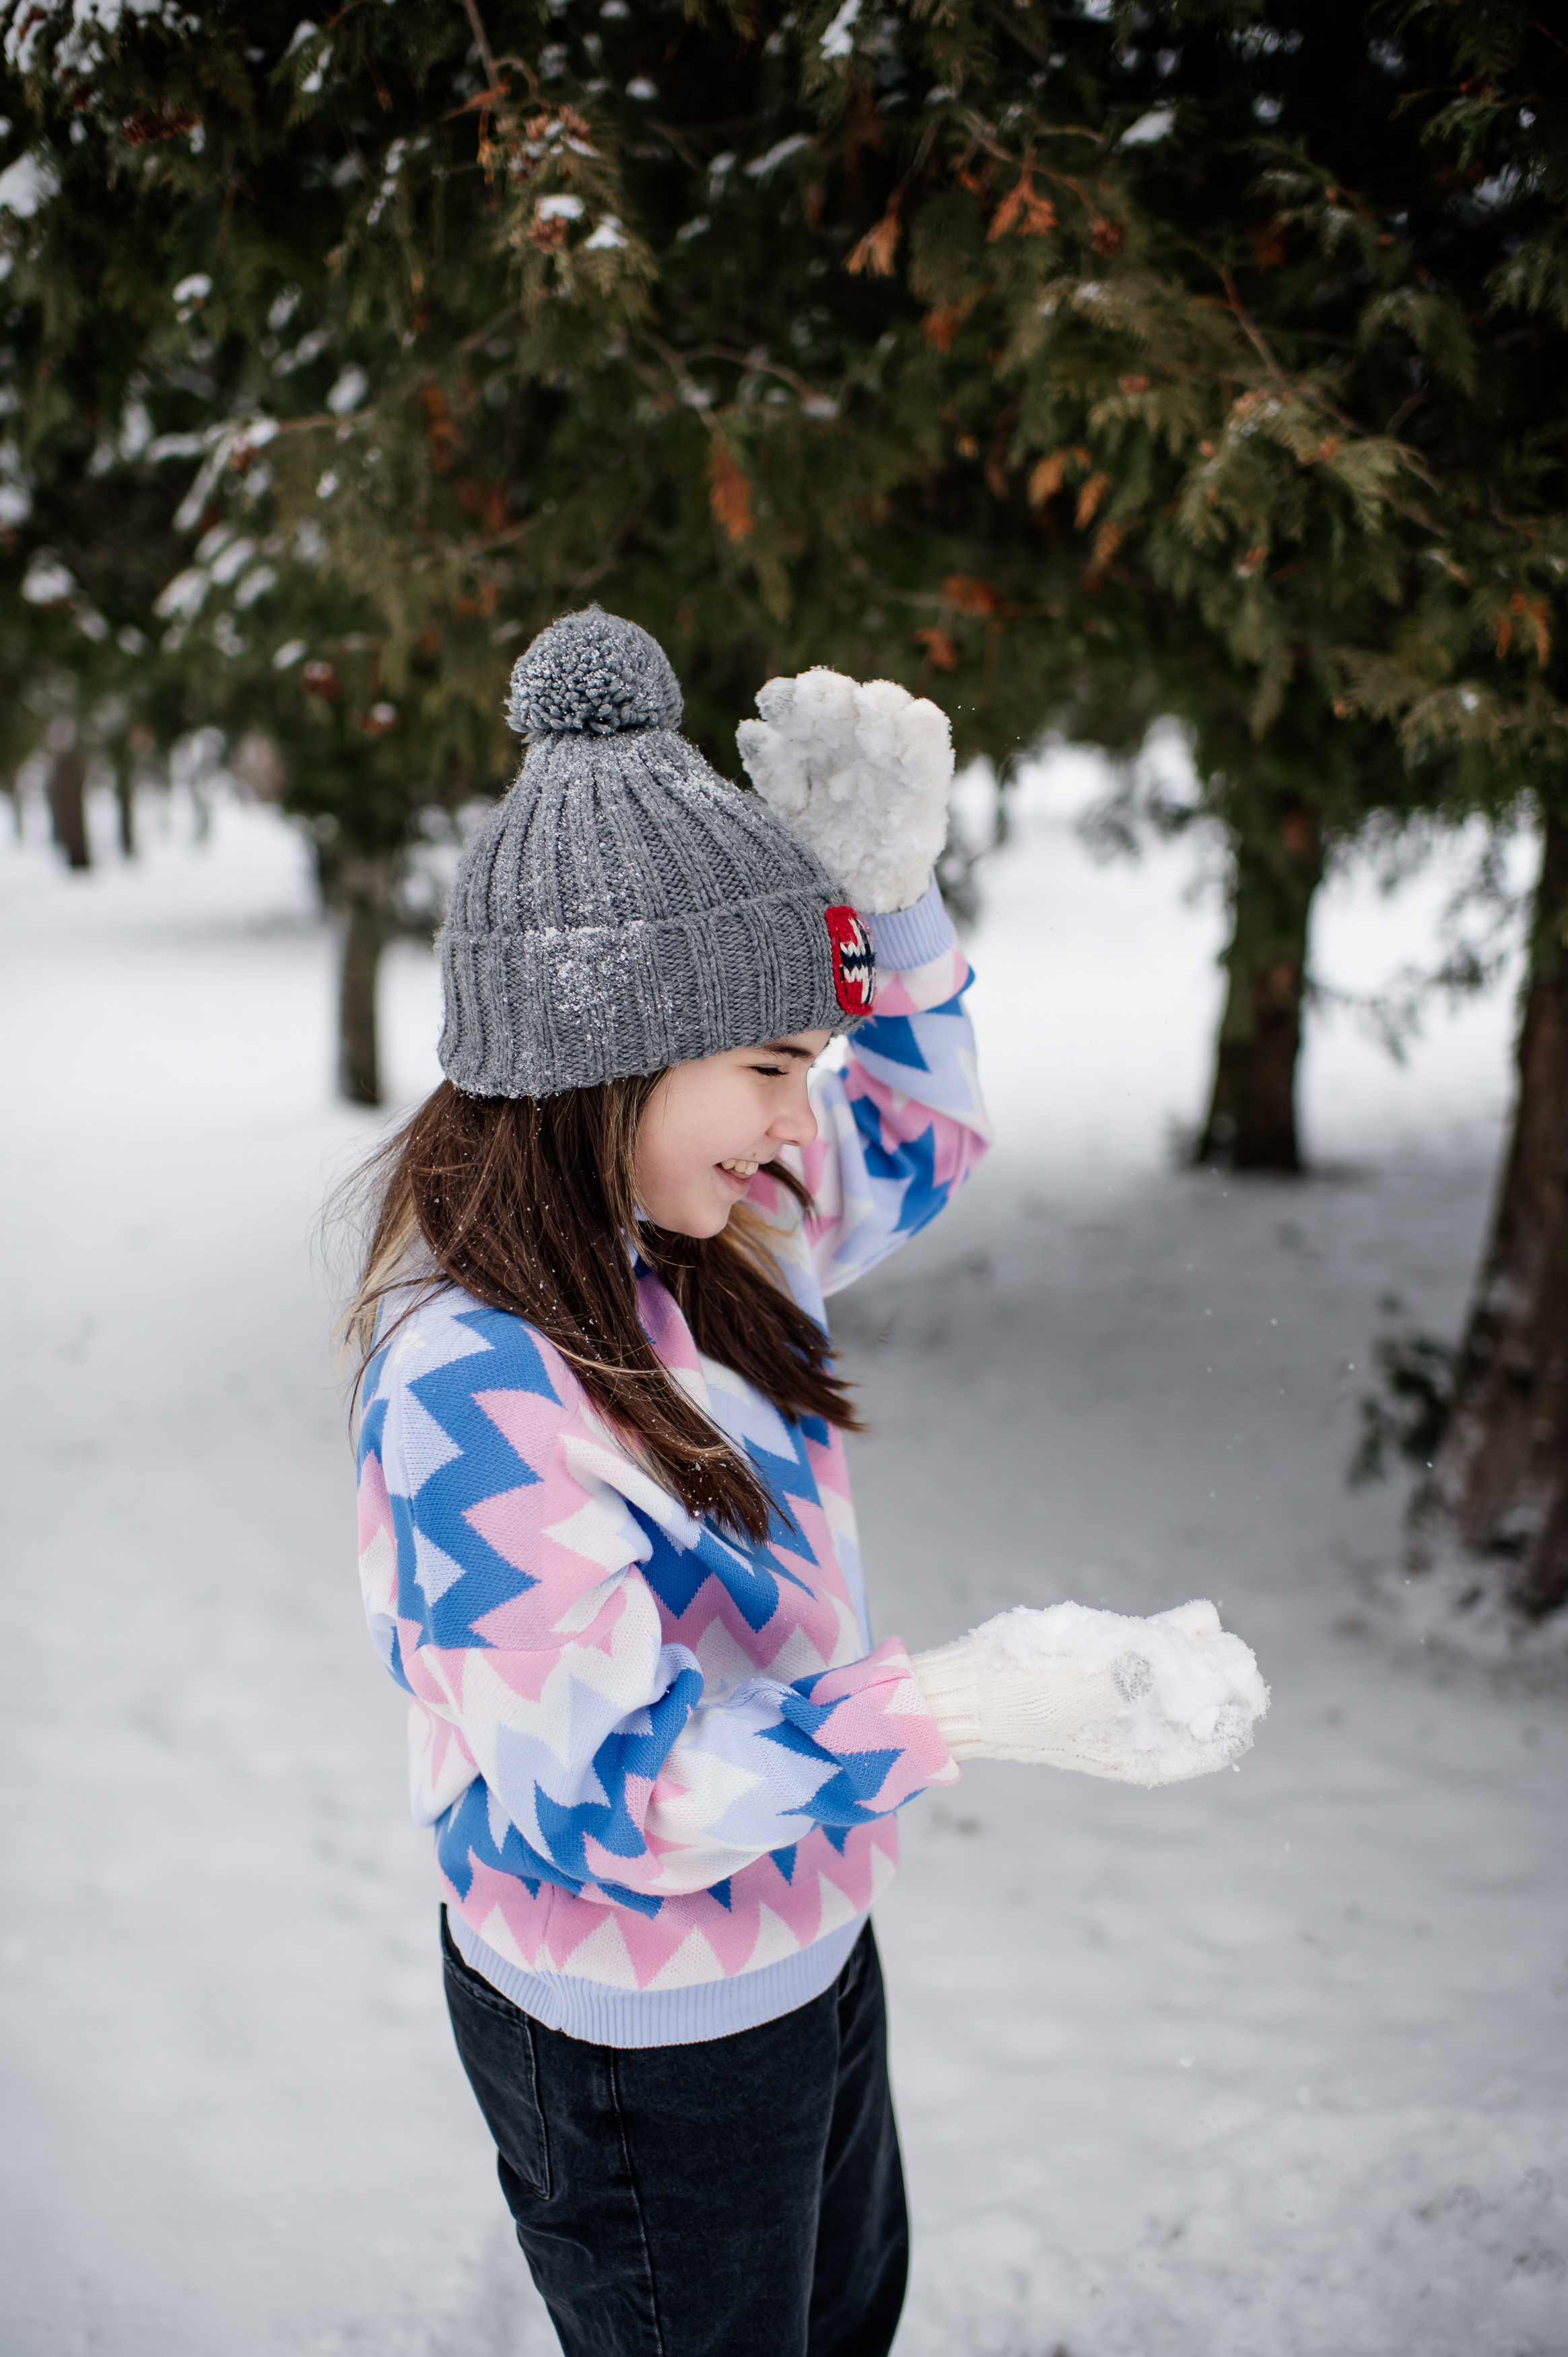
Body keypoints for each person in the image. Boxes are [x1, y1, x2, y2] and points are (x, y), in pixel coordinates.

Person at [343, 609, 1266, 2357]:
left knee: (848, 2317)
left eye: (807, 1067)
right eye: (772, 1066)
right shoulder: (470, 1393)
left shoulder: (712, 1233)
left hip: (804, 1943)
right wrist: (957, 1702)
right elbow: (609, 1803)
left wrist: (893, 894)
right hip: (636, 2044)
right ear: (606, 1051)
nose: (802, 1119)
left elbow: (924, 1133)